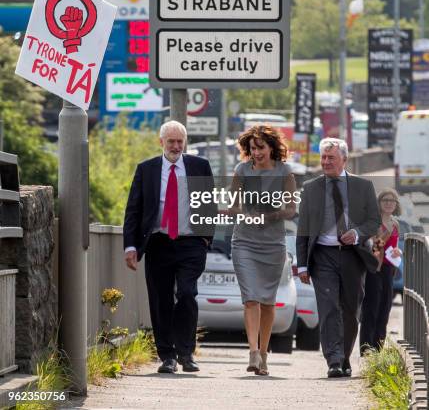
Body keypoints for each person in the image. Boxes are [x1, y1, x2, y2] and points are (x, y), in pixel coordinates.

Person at [123, 120, 215, 374]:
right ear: (161, 142)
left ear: (185, 143)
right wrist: (131, 246)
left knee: (187, 294)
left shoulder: (199, 166)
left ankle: (186, 353)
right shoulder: (147, 169)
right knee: (160, 299)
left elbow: (209, 204)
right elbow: (134, 210)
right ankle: (167, 356)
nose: (175, 146)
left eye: (179, 141)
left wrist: (206, 237)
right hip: (158, 243)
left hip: (190, 243)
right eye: (171, 141)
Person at [296, 138, 380, 378]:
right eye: (323, 157)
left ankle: (344, 357)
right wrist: (302, 265)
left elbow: (373, 221)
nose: (325, 162)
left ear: (344, 159)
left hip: (353, 256)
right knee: (328, 306)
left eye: (330, 157)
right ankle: (333, 360)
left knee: (350, 310)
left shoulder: (363, 186)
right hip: (323, 256)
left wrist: (356, 234)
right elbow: (303, 229)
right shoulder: (311, 188)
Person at [229, 125, 297, 376]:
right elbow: (234, 205)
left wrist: (271, 214)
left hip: (272, 244)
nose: (256, 152)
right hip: (244, 241)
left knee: (268, 302)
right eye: (252, 148)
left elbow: (291, 209)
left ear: (272, 147)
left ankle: (265, 354)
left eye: (261, 147)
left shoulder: (284, 172)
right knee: (250, 298)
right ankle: (253, 352)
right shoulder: (241, 170)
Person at [360, 188, 402, 354]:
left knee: (385, 307)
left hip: (388, 268)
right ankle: (367, 348)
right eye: (385, 200)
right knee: (371, 307)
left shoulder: (396, 223)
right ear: (379, 203)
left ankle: (378, 349)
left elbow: (393, 247)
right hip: (373, 268)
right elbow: (373, 246)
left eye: (392, 201)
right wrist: (384, 235)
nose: (389, 203)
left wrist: (398, 252)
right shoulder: (374, 222)